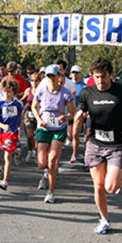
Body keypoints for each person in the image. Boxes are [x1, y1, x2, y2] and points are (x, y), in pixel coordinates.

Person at [73, 56, 122, 234]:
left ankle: (118, 180)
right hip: (95, 144)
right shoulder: (87, 93)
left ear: (111, 75)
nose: (100, 80)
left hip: (117, 145)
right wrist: (78, 118)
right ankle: (104, 219)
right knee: (98, 186)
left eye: (103, 76)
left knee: (110, 188)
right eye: (96, 76)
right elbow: (78, 114)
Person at [31, 64, 75, 203]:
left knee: (51, 161)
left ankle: (51, 191)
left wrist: (66, 117)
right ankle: (47, 173)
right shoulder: (41, 90)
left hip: (59, 128)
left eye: (53, 76)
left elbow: (73, 113)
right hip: (44, 128)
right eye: (48, 75)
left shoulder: (65, 93)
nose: (50, 78)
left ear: (59, 77)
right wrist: (39, 119)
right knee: (41, 164)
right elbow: (33, 106)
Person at [0, 77, 24, 190]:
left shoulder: (18, 104)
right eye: (5, 92)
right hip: (1, 131)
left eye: (9, 92)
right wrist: (2, 125)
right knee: (8, 150)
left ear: (13, 91)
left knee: (6, 154)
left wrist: (19, 127)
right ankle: (17, 151)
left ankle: (5, 180)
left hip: (12, 131)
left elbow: (20, 115)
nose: (7, 94)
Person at [20, 72, 42, 163]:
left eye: (36, 80)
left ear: (40, 81)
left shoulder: (42, 90)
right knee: (29, 135)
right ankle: (30, 151)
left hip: (39, 115)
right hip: (29, 114)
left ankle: (37, 153)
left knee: (37, 137)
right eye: (32, 80)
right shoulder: (28, 90)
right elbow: (22, 100)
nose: (34, 82)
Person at [70, 65, 86, 163]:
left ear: (80, 73)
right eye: (73, 72)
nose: (75, 74)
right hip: (68, 111)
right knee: (69, 134)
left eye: (76, 72)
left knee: (75, 134)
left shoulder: (84, 86)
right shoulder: (68, 84)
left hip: (78, 112)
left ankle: (74, 154)